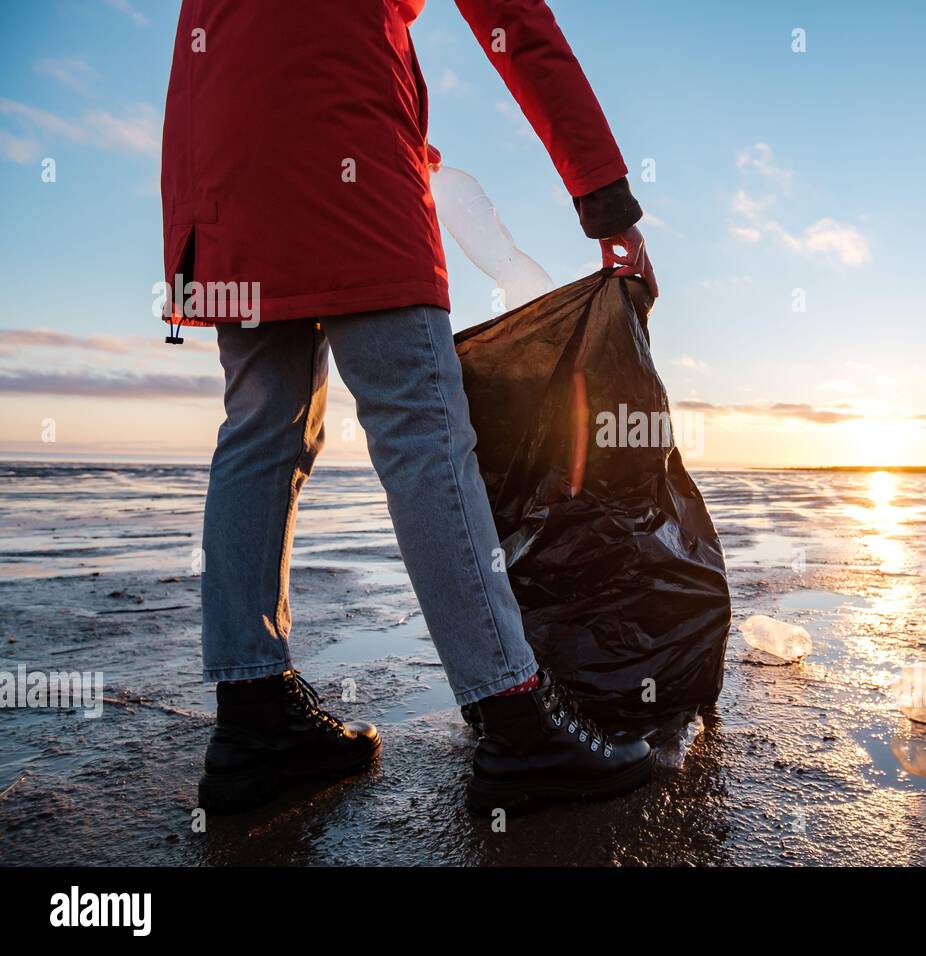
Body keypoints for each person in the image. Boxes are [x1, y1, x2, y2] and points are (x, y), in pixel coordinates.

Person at [160, 0, 658, 815]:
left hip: (217, 162)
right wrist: (606, 201)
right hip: (346, 149)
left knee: (259, 426)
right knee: (421, 424)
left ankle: (252, 720)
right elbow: (515, 24)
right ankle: (514, 716)